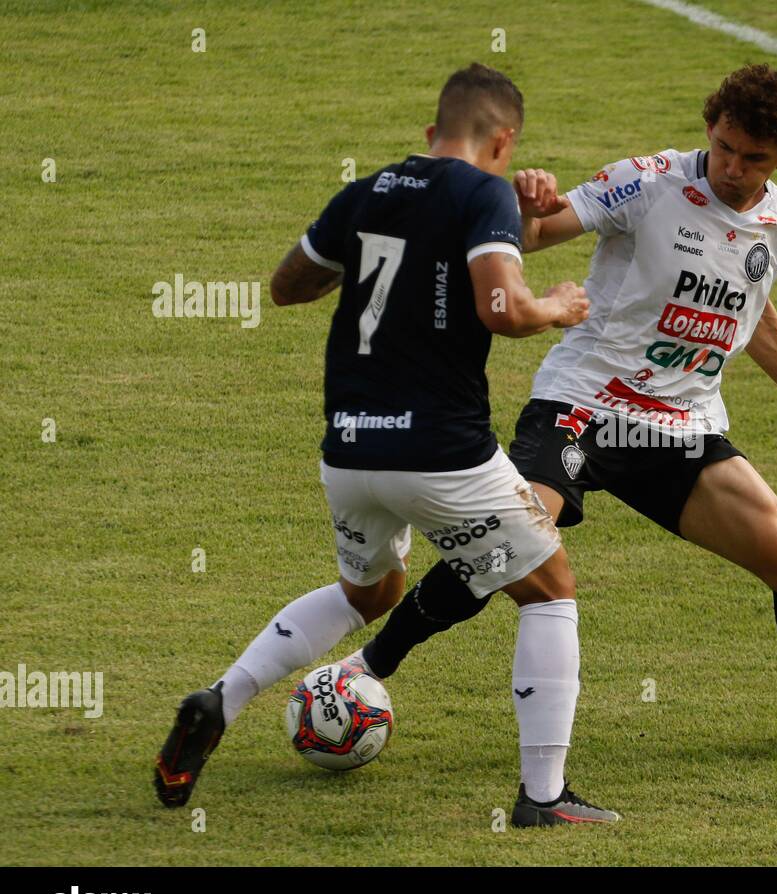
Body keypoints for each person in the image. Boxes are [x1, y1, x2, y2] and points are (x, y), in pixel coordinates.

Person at [360, 64, 777, 758]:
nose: (734, 168)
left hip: (682, 428)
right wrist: (529, 204)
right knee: (511, 540)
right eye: (724, 147)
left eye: (755, 160)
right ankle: (367, 668)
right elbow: (535, 237)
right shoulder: (648, 181)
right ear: (709, 129)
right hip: (583, 406)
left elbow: (752, 307)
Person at [154, 63, 620, 826]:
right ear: (503, 141)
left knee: (371, 593)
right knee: (548, 588)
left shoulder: (365, 191)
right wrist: (558, 307)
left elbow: (289, 285)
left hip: (350, 453)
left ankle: (219, 700)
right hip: (442, 454)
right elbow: (502, 306)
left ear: (431, 129)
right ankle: (544, 798)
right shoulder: (484, 191)